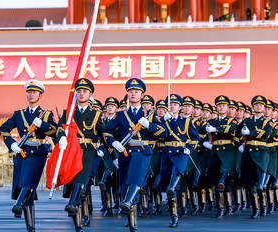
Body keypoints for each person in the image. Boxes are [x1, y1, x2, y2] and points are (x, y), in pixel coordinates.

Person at [103, 78, 166, 232]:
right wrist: (113, 142)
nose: (133, 94)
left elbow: (163, 132)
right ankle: (132, 224)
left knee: (135, 179)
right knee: (125, 186)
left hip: (142, 152)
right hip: (125, 153)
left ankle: (129, 207)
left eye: (136, 92)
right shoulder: (121, 115)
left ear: (142, 95)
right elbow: (106, 131)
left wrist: (149, 125)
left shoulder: (150, 115)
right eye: (130, 92)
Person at [0, 80, 57, 232]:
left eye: (34, 92)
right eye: (29, 92)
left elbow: (55, 131)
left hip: (38, 152)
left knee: (28, 182)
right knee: (26, 187)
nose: (31, 95)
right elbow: (3, 129)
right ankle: (30, 227)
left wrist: (42, 125)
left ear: (40, 95)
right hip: (22, 152)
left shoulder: (46, 114)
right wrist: (12, 144)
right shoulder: (19, 114)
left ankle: (18, 204)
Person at [55, 79, 112, 232]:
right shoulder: (69, 112)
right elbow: (60, 128)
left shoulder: (96, 114)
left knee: (81, 179)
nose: (81, 94)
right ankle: (78, 224)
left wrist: (112, 154)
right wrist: (60, 137)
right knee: (74, 183)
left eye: (84, 91)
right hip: (71, 151)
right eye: (79, 91)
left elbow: (104, 134)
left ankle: (71, 203)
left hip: (88, 151)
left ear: (90, 94)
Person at [159, 94, 199, 227]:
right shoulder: (163, 121)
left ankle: (172, 187)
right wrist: (161, 122)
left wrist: (190, 148)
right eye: (170, 104)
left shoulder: (186, 121)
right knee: (169, 188)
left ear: (180, 107)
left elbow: (195, 137)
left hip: (181, 154)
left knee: (174, 180)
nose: (172, 106)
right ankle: (174, 216)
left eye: (175, 104)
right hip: (167, 154)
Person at [204, 95, 239, 218]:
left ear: (228, 107)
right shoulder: (212, 121)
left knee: (223, 176)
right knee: (216, 181)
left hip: (229, 152)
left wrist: (216, 129)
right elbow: (205, 133)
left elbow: (231, 128)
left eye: (224, 105)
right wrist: (205, 142)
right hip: (215, 152)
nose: (221, 108)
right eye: (219, 106)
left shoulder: (232, 120)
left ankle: (227, 206)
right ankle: (222, 207)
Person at [240, 95, 273, 219]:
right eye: (256, 104)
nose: (258, 106)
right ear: (253, 107)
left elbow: (267, 133)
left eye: (261, 105)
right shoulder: (247, 121)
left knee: (260, 184)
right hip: (248, 153)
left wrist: (251, 133)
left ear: (264, 108)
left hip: (261, 153)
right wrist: (240, 142)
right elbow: (239, 133)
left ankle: (263, 207)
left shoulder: (267, 122)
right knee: (250, 183)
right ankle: (255, 209)